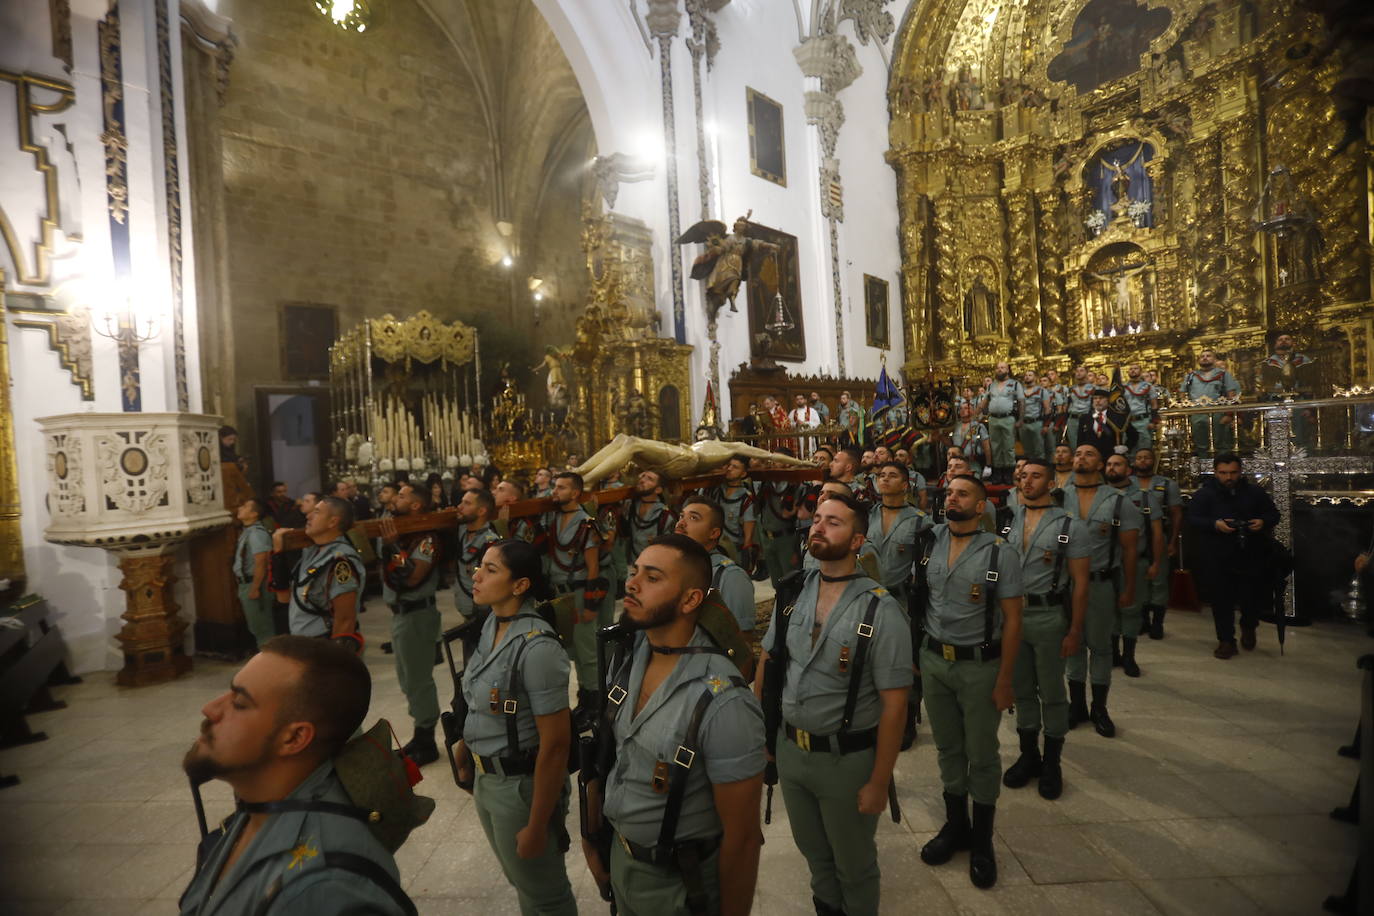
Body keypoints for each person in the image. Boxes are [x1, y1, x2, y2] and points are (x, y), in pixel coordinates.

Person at [584, 535, 765, 916]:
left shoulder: (723, 701)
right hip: (622, 862)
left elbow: (743, 838)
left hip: (680, 887)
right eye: (634, 572)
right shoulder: (631, 658)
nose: (631, 584)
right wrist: (593, 836)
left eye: (652, 577)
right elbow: (611, 757)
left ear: (690, 600)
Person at [179, 636, 412, 914]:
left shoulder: (325, 888)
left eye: (239, 703)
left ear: (295, 738)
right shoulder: (260, 804)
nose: (210, 709)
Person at [760, 492, 911, 913]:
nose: (819, 527)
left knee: (854, 866)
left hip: (846, 761)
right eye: (817, 519)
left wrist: (880, 781)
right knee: (816, 858)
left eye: (834, 522)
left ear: (858, 540)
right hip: (793, 753)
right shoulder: (792, 593)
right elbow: (769, 663)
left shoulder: (881, 609)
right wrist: (765, 736)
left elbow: (895, 704)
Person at [453, 540, 578, 915]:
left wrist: (539, 824)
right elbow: (478, 698)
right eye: (479, 566)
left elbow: (556, 744)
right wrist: (465, 749)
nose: (476, 575)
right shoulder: (492, 622)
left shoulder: (537, 647)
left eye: (491, 570)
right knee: (522, 880)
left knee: (545, 894)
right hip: (487, 778)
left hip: (521, 787)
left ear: (520, 585)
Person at [913, 475, 1023, 888]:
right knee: (947, 747)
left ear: (981, 507)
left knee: (981, 752)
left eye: (962, 494)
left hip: (980, 666)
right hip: (934, 659)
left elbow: (1013, 619)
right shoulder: (929, 541)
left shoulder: (1000, 553)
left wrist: (1006, 679)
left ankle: (982, 839)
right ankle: (956, 825)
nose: (951, 499)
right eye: (949, 493)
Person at [1002, 458, 1088, 800]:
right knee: (1021, 689)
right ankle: (1029, 755)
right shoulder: (1007, 521)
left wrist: (1075, 630)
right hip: (1013, 618)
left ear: (1052, 483)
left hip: (1049, 616)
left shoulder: (1070, 526)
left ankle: (1053, 761)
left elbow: (1081, 584)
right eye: (1023, 476)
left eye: (1036, 476)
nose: (1027, 481)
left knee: (1052, 693)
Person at [1059, 445, 1140, 738]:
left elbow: (1130, 550)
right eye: (1077, 453)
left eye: (1089, 454)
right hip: (1065, 585)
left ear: (1102, 464)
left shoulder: (1118, 502)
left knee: (1101, 646)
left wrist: (1129, 588)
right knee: (1073, 645)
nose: (1081, 457)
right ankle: (1077, 705)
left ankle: (1100, 708)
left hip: (1099, 583)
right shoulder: (1058, 497)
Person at [1186, 453, 1280, 658]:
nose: (1228, 477)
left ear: (1240, 472)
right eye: (1223, 473)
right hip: (1217, 555)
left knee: (1251, 597)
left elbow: (1273, 514)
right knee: (1221, 600)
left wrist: (1262, 522)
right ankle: (1226, 640)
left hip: (1250, 553)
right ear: (1215, 472)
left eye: (1233, 473)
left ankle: (1248, 626)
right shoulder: (1204, 495)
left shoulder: (1254, 493)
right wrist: (1215, 524)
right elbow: (1193, 518)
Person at [378, 483, 443, 765]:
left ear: (417, 505)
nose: (395, 498)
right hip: (402, 614)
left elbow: (413, 576)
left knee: (418, 679)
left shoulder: (426, 538)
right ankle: (421, 733)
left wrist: (392, 546)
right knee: (407, 679)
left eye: (402, 496)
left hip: (417, 615)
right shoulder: (406, 535)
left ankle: (426, 740)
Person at [543, 472, 606, 710]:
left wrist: (590, 605)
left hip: (580, 592)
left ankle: (594, 700)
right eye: (555, 487)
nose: (555, 492)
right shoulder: (553, 518)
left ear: (575, 493)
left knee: (587, 651)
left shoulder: (586, 523)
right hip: (561, 594)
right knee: (571, 649)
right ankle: (584, 697)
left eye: (561, 487)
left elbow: (593, 568)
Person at [273, 496, 365, 650]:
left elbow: (345, 620)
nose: (308, 516)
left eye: (316, 512)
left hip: (324, 647)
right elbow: (284, 598)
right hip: (304, 644)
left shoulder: (341, 561)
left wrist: (332, 661)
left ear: (332, 522)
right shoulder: (311, 552)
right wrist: (278, 555)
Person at [1105, 454, 1164, 678]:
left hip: (1136, 561)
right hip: (1108, 563)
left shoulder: (1144, 498)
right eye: (1109, 464)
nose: (1112, 467)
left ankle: (1129, 656)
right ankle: (1113, 653)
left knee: (1131, 610)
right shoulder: (1100, 496)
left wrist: (1156, 562)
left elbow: (1157, 533)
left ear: (1128, 469)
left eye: (1117, 464)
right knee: (1109, 611)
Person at [675, 496, 756, 633]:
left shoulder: (731, 578)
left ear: (713, 533)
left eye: (693, 518)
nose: (680, 524)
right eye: (681, 516)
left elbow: (742, 640)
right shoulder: (671, 568)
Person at [1132, 447, 1182, 639]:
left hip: (1158, 535)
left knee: (1159, 581)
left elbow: (1176, 513)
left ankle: (1158, 623)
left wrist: (1173, 542)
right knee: (1139, 580)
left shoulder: (1166, 484)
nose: (1142, 461)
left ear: (1154, 461)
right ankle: (1143, 620)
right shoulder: (1128, 484)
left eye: (1146, 458)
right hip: (1135, 537)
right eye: (1139, 457)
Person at [454, 487, 502, 626]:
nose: (459, 507)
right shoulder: (464, 533)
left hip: (483, 614)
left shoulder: (490, 542)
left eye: (467, 503)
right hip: (467, 611)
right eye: (461, 502)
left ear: (481, 511)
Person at [1179, 350, 1240, 457]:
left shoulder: (1223, 374)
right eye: (1202, 356)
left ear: (1214, 359)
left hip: (1218, 414)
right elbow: (1182, 394)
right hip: (1197, 414)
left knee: (1220, 443)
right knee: (1200, 444)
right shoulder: (1191, 376)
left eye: (1208, 356)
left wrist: (1229, 414)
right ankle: (1204, 468)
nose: (1205, 358)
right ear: (1198, 360)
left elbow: (1232, 395)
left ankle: (1222, 468)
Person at [234, 497, 276, 649]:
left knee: (262, 628)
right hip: (247, 583)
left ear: (254, 514)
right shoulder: (248, 531)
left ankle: (269, 662)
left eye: (244, 506)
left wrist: (255, 587)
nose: (240, 508)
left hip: (254, 583)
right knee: (256, 625)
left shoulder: (257, 533)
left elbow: (261, 561)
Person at [755, 450, 801, 588]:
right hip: (767, 537)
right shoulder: (766, 484)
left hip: (786, 538)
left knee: (790, 577)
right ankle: (779, 604)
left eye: (779, 460)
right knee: (776, 579)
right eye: (773, 460)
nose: (775, 463)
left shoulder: (796, 485)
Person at [709, 455, 757, 564]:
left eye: (735, 467)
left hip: (734, 551)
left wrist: (746, 553)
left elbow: (748, 533)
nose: (730, 469)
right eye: (729, 465)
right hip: (714, 547)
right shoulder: (716, 491)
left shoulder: (746, 499)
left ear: (743, 473)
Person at [625, 469, 676, 569]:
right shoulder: (630, 507)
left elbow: (669, 550)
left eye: (649, 479)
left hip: (654, 568)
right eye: (643, 476)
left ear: (658, 490)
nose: (642, 480)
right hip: (631, 566)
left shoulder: (665, 516)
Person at [984, 362, 1024, 484]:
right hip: (993, 419)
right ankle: (998, 474)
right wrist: (976, 414)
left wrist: (1021, 419)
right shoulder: (991, 386)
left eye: (1002, 367)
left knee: (1008, 447)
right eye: (997, 368)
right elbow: (985, 401)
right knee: (995, 447)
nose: (999, 370)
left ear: (1007, 370)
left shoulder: (1015, 384)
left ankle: (1009, 473)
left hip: (1008, 418)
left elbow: (1021, 402)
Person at [1076, 389, 1137, 458]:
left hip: (1111, 456)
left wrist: (1126, 447)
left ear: (1108, 400)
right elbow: (1080, 439)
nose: (1098, 400)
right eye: (1095, 398)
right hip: (1090, 456)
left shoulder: (1118, 417)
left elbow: (1133, 435)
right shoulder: (1085, 418)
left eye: (1101, 398)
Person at [952, 402, 992, 478]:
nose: (963, 410)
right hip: (957, 463)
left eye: (966, 408)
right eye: (961, 408)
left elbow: (986, 447)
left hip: (972, 464)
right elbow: (951, 445)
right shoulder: (955, 426)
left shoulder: (978, 426)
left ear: (973, 411)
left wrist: (988, 465)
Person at [1122, 365, 1158, 450]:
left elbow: (1154, 404)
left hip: (1143, 421)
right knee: (1128, 449)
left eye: (1135, 368)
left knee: (1144, 448)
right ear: (1127, 372)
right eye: (1130, 369)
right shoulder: (1123, 387)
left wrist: (1153, 421)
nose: (1133, 370)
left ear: (1140, 371)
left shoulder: (1148, 386)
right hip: (1127, 422)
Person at [1019, 370, 1048, 460]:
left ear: (1035, 378)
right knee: (1027, 451)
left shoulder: (1042, 391)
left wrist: (1046, 425)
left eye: (1030, 375)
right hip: (1023, 423)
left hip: (1036, 422)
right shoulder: (1020, 391)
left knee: (1039, 450)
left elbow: (1047, 408)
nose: (1027, 377)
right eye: (1026, 375)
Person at [1065, 366, 1094, 449]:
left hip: (1086, 418)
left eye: (1081, 371)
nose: (1078, 373)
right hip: (1072, 419)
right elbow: (1067, 405)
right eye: (1077, 371)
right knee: (1074, 445)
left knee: (1087, 443)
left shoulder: (1093, 388)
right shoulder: (1071, 389)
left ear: (1086, 373)